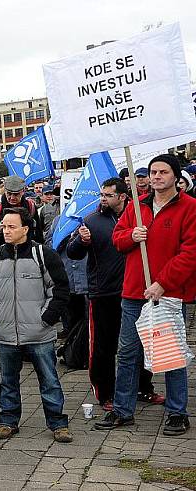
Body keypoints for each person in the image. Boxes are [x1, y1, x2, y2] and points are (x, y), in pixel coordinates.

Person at [96, 154, 196, 436]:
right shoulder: (137, 207)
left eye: (163, 172)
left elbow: (190, 253)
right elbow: (117, 238)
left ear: (176, 177)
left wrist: (163, 283)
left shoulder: (190, 208)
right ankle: (123, 410)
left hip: (169, 294)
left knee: (171, 354)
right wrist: (131, 237)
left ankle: (177, 412)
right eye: (153, 172)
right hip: (133, 293)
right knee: (128, 352)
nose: (156, 177)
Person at [0, 207, 73, 443]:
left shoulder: (44, 254)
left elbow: (59, 289)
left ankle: (58, 423)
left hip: (39, 333)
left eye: (11, 226)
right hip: (5, 333)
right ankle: (7, 421)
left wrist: (47, 318)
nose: (6, 231)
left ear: (25, 229)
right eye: (4, 226)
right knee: (8, 381)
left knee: (49, 380)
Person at [67, 178, 161, 410]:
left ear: (122, 196)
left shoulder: (139, 215)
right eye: (101, 195)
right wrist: (81, 240)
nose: (103, 199)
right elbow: (73, 253)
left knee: (141, 343)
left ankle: (142, 387)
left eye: (108, 195)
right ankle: (105, 392)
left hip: (136, 290)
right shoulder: (91, 220)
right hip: (103, 292)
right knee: (103, 346)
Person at [0, 175, 42, 251]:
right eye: (9, 194)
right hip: (0, 254)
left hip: (25, 253)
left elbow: (38, 233)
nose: (12, 198)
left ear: (23, 191)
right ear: (4, 191)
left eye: (16, 194)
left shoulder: (30, 206)